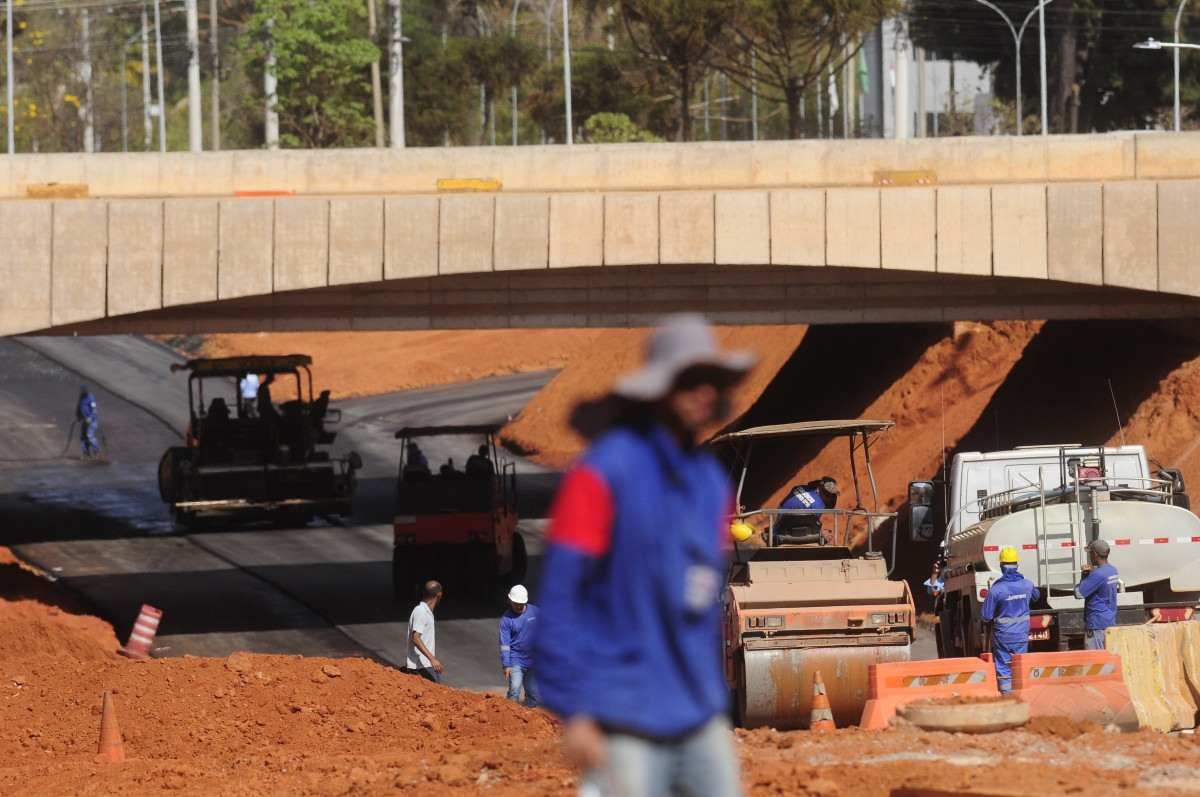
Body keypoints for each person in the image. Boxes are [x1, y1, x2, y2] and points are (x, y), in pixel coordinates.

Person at [535, 314, 754, 797]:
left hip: (698, 712)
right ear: (659, 389)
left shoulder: (710, 485)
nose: (704, 392)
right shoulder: (601, 476)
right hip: (623, 715)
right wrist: (573, 709)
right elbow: (559, 597)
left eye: (712, 381)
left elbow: (702, 605)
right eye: (689, 380)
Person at [981, 546, 1040, 694]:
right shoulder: (1027, 585)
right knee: (1020, 665)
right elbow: (1036, 596)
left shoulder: (996, 590)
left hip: (1003, 637)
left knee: (1004, 667)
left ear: (1001, 566)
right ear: (1017, 565)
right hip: (1021, 635)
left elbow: (986, 616)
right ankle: (1023, 695)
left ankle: (1007, 698)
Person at [1075, 539, 1119, 650]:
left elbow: (1079, 593)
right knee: (1108, 658)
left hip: (1096, 623)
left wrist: (1084, 576)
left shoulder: (1097, 574)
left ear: (1095, 554)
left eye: (1090, 553)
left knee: (1095, 661)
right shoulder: (1112, 570)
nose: (1089, 556)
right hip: (1109, 621)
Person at [499, 584, 539, 707]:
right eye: (515, 603)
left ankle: (527, 717)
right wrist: (506, 664)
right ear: (510, 601)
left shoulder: (536, 612)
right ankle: (509, 715)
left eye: (520, 604)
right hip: (516, 659)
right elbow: (504, 643)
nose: (518, 606)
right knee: (515, 689)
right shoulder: (506, 619)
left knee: (533, 693)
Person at [405, 580, 444, 683]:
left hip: (425, 665)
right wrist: (432, 659)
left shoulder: (425, 611)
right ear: (439, 595)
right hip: (422, 666)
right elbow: (416, 637)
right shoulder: (421, 611)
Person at [76, 385, 101, 458]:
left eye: (83, 392)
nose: (82, 393)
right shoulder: (81, 398)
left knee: (90, 436)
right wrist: (78, 416)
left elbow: (94, 411)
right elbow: (78, 408)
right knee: (83, 437)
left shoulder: (91, 398)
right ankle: (86, 453)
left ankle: (97, 451)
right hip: (84, 421)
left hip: (92, 421)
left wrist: (90, 418)